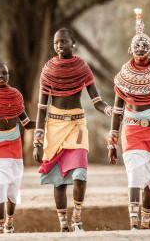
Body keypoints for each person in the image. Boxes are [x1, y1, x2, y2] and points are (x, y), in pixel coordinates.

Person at [33, 28, 112, 232]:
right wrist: (38, 141)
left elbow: (96, 101)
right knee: (59, 181)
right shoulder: (48, 69)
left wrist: (109, 110)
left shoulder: (82, 68)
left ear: (73, 43)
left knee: (80, 175)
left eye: (64, 42)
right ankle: (63, 225)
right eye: (56, 42)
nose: (60, 46)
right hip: (54, 128)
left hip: (77, 128)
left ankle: (77, 219)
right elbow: (42, 109)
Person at [107, 8, 150, 230]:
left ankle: (145, 222)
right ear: (130, 50)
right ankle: (134, 223)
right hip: (132, 131)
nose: (140, 51)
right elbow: (118, 111)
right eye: (136, 48)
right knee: (135, 174)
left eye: (144, 48)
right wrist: (112, 142)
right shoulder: (123, 77)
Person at [0, 62, 36, 233]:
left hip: (14, 145)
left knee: (13, 186)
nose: (1, 76)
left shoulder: (16, 96)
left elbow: (25, 123)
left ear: (9, 76)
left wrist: (43, 123)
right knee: (0, 184)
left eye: (5, 73)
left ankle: (9, 223)